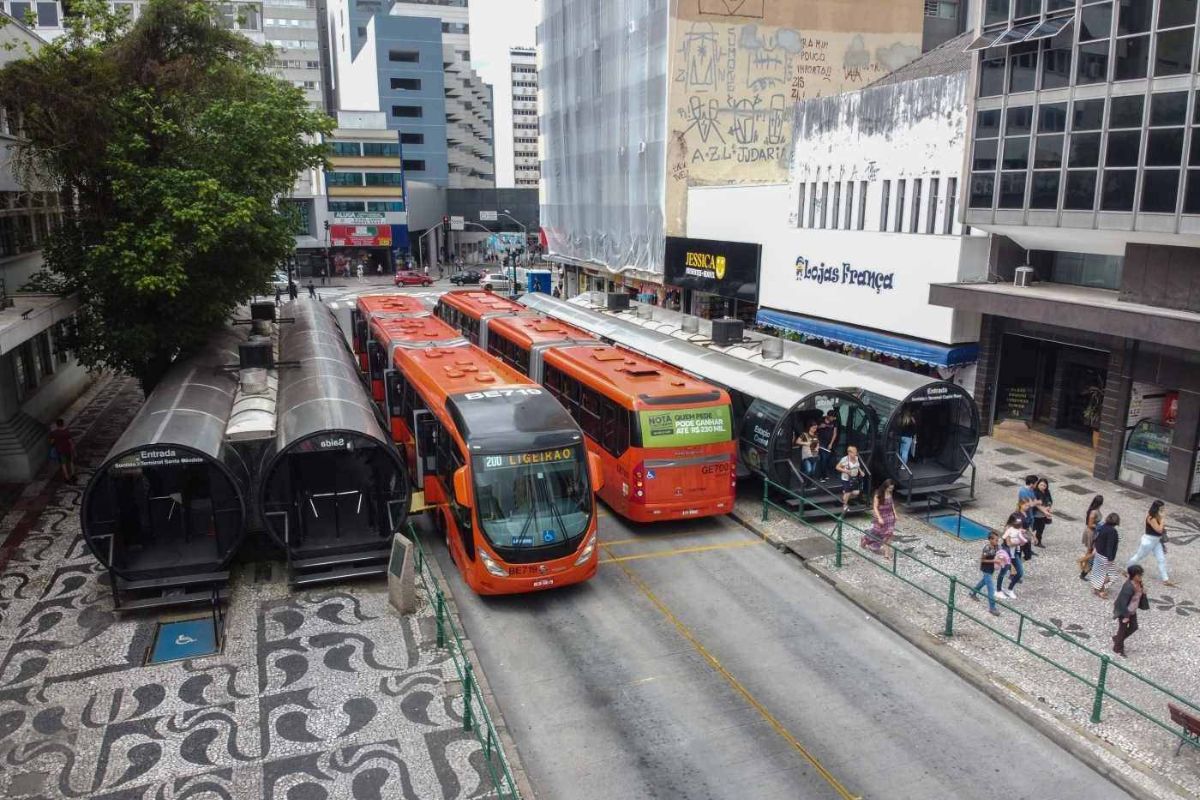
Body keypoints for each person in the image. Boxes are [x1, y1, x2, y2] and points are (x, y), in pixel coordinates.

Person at [1112, 564, 1150, 658]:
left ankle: (1117, 639)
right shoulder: (1128, 587)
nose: (1140, 576)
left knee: (1134, 627)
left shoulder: (1139, 583)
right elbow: (1122, 602)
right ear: (1133, 575)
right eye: (1139, 575)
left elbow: (1139, 595)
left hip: (1132, 610)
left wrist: (1143, 593)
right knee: (1122, 630)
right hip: (1125, 611)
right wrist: (1126, 616)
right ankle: (1118, 648)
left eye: (1141, 574)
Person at [969, 531, 1002, 616]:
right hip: (986, 569)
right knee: (991, 589)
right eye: (996, 540)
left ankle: (973, 593)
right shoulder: (987, 548)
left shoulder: (997, 547)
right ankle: (992, 608)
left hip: (991, 569)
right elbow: (983, 560)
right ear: (990, 540)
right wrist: (994, 561)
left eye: (997, 540)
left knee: (983, 582)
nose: (997, 541)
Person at [1089, 512, 1122, 599]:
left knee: (1099, 573)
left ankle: (1097, 588)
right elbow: (1109, 546)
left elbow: (1097, 538)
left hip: (1099, 554)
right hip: (1105, 556)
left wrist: (1095, 548)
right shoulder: (1112, 532)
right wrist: (1110, 559)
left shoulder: (1103, 526)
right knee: (1112, 576)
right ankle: (1100, 590)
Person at [995, 513, 1027, 599]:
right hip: (1007, 553)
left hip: (1015, 553)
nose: (1019, 524)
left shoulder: (1018, 528)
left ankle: (1009, 589)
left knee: (1020, 572)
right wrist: (1019, 542)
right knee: (1003, 572)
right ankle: (998, 590)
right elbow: (1008, 543)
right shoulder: (1008, 529)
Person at [862, 479, 896, 557]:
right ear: (885, 487)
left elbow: (892, 504)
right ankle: (865, 539)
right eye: (889, 488)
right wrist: (879, 518)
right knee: (876, 533)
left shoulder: (890, 493)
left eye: (892, 488)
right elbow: (875, 507)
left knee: (888, 534)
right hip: (880, 515)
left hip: (889, 516)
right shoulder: (878, 495)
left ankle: (887, 554)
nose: (891, 490)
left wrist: (895, 513)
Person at [1078, 495, 1104, 580]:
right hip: (1091, 533)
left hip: (1093, 532)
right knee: (1090, 551)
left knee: (1090, 551)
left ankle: (1084, 565)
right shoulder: (1094, 512)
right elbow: (1090, 524)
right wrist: (1099, 526)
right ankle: (1084, 565)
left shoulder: (1095, 510)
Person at [835, 445, 864, 514]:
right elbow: (837, 467)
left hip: (854, 478)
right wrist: (846, 471)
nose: (856, 454)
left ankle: (845, 494)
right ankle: (845, 505)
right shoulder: (844, 459)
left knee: (856, 492)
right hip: (846, 479)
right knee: (848, 492)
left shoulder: (856, 458)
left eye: (856, 452)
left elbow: (858, 466)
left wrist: (861, 471)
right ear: (849, 453)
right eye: (854, 452)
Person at [816, 410, 839, 479]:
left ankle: (824, 473)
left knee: (827, 458)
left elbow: (835, 433)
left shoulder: (834, 422)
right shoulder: (821, 420)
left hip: (829, 442)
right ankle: (822, 475)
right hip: (821, 442)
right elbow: (814, 428)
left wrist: (831, 443)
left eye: (834, 418)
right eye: (832, 417)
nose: (833, 419)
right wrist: (820, 426)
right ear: (828, 416)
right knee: (824, 458)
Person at [1031, 477, 1053, 548]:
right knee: (1033, 528)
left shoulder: (1047, 492)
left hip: (1043, 515)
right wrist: (1044, 510)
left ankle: (1038, 542)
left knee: (1041, 529)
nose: (1042, 487)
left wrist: (1048, 506)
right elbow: (1036, 504)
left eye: (1044, 485)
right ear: (1038, 484)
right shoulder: (1035, 492)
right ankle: (1031, 540)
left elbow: (1050, 500)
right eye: (1041, 485)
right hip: (1036, 514)